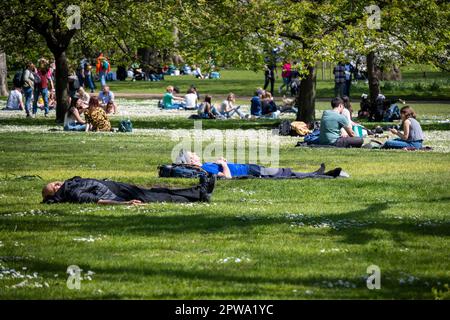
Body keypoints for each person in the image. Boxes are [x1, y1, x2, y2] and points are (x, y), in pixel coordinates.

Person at [41, 174, 216, 204]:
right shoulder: (72, 192)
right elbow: (97, 201)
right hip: (118, 194)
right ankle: (200, 192)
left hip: (118, 187)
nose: (57, 184)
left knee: (157, 191)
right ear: (56, 194)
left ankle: (200, 191)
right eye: (54, 187)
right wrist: (125, 204)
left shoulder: (71, 184)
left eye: (54, 183)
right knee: (159, 197)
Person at [176, 150, 344, 179]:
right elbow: (227, 178)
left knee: (284, 172)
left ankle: (318, 174)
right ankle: (319, 174)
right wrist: (224, 166)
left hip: (250, 167)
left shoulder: (204, 166)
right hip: (251, 171)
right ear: (191, 162)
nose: (196, 155)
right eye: (193, 155)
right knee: (284, 173)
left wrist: (222, 162)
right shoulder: (204, 171)